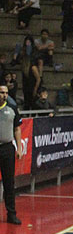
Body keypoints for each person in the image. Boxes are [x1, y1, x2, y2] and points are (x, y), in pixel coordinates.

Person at [0, 85, 23, 225]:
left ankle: (11, 213)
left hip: (7, 148)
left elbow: (17, 129)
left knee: (9, 182)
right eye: (2, 92)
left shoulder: (12, 109)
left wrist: (19, 148)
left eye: (6, 93)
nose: (4, 95)